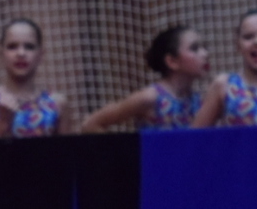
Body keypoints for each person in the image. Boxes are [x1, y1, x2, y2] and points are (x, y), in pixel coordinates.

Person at [81, 26, 209, 133]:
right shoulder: (149, 98)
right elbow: (91, 124)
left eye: (204, 47)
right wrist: (121, 153)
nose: (205, 54)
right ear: (172, 61)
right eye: (194, 48)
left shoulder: (200, 101)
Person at [0, 19, 69, 138]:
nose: (21, 53)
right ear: (1, 54)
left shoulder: (58, 103)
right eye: (12, 47)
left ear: (40, 55)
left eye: (29, 47)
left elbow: (68, 149)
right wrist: (2, 123)